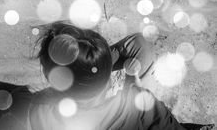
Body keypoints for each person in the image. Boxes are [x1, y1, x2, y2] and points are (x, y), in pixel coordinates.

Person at [25, 20, 186, 130]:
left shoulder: (39, 111)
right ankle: (96, 63)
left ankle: (88, 64)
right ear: (108, 78)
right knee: (139, 45)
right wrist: (136, 92)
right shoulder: (141, 106)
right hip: (132, 110)